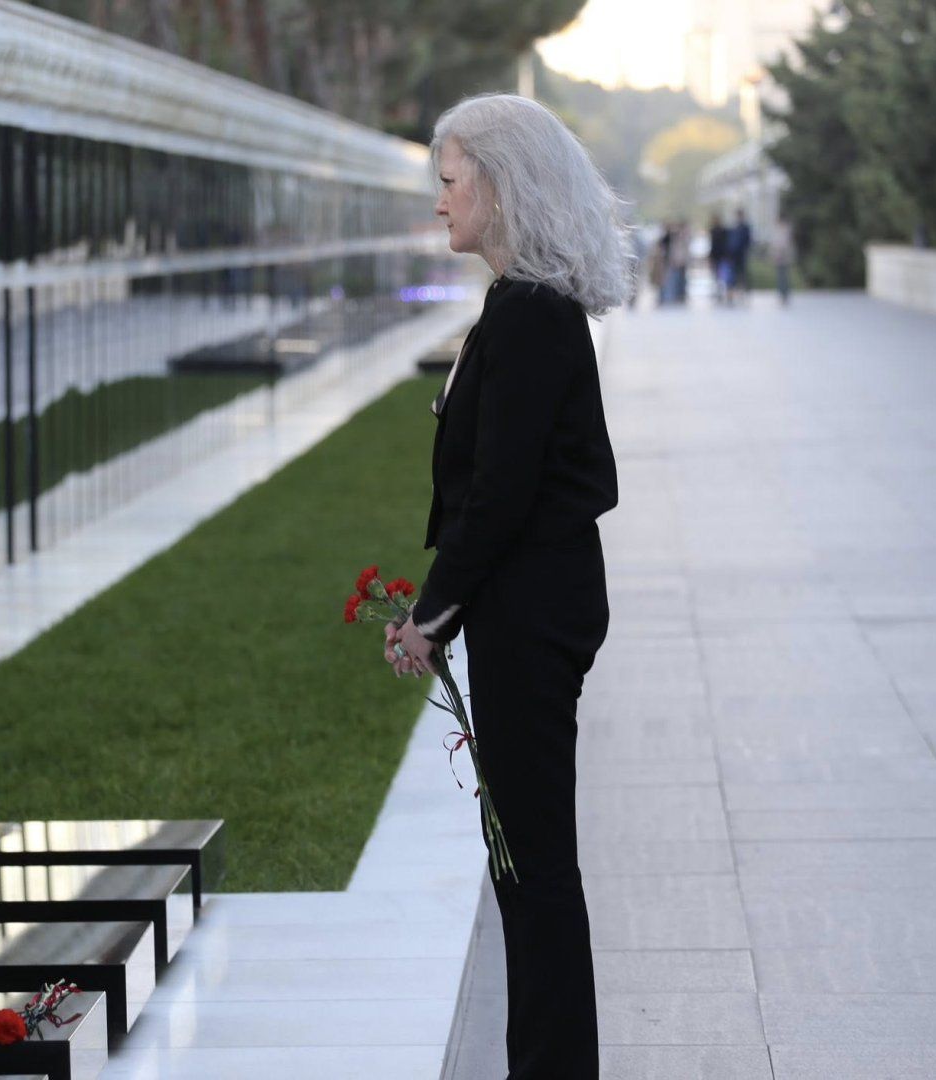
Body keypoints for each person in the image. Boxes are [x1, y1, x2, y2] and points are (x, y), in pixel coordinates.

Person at [385, 91, 629, 1079]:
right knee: (524, 861)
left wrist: (432, 615)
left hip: (533, 612)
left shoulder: (530, 313)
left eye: (448, 182)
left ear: (497, 181)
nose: (440, 203)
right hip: (533, 605)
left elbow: (501, 493)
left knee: (533, 866)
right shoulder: (522, 304)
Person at [769, 214, 795, 305]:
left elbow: (785, 244)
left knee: (784, 276)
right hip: (778, 256)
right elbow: (774, 244)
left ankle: (785, 294)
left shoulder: (786, 230)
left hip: (784, 256)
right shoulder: (777, 230)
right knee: (780, 276)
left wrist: (780, 252)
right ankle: (781, 294)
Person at [729, 209, 753, 302]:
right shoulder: (734, 227)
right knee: (734, 274)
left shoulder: (745, 227)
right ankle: (734, 292)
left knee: (743, 274)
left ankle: (743, 291)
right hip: (734, 255)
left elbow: (748, 241)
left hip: (742, 254)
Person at [708, 213, 732, 306]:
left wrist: (727, 256)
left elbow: (726, 244)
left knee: (725, 276)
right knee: (716, 276)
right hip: (715, 257)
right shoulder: (712, 230)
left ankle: (726, 293)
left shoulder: (724, 231)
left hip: (722, 257)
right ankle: (718, 293)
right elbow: (712, 245)